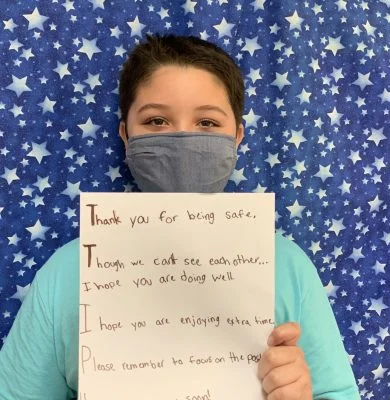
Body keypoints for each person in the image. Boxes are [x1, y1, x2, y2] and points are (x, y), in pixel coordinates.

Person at [0, 35, 360, 400]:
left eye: (207, 122)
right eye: (156, 120)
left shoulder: (289, 268)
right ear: (126, 135)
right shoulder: (66, 274)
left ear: (237, 137)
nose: (183, 138)